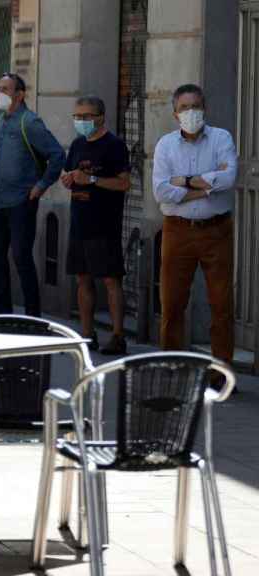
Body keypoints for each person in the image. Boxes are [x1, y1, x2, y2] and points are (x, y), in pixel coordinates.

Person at [152, 83, 238, 383]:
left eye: (196, 106)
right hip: (178, 232)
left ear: (205, 108)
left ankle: (221, 372)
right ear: (175, 114)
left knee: (222, 304)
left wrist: (184, 182)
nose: (192, 113)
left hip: (217, 231)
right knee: (172, 303)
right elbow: (160, 191)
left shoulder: (221, 138)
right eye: (185, 108)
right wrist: (204, 187)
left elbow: (229, 178)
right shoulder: (165, 145)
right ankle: (171, 368)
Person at [0, 72, 64, 317]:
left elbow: (57, 155)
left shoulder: (29, 122)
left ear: (19, 95)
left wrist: (41, 186)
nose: (0, 93)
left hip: (22, 201)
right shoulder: (2, 120)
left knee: (21, 256)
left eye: (6, 89)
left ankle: (32, 314)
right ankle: (2, 307)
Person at [60, 95, 132, 354]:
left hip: (104, 223)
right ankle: (87, 334)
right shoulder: (78, 144)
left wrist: (91, 179)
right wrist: (68, 179)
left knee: (111, 281)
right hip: (80, 221)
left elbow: (124, 183)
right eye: (77, 116)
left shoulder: (114, 146)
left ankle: (118, 336)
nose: (81, 121)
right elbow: (69, 173)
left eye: (87, 116)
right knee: (82, 279)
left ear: (101, 117)